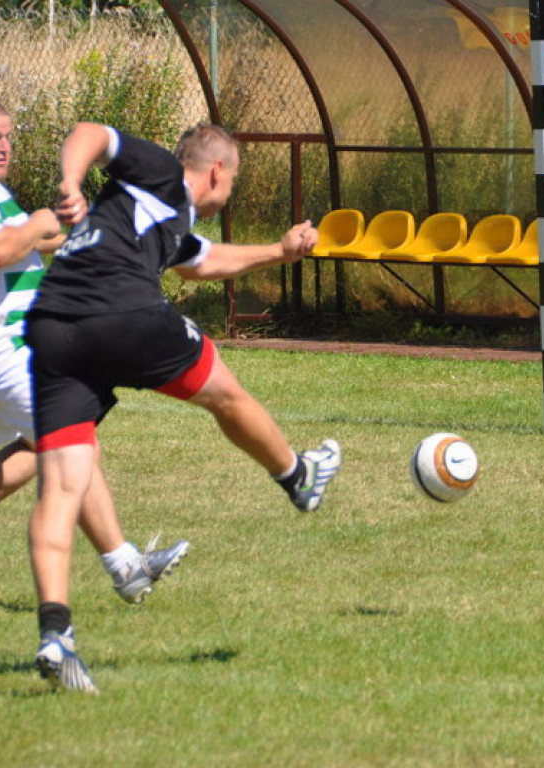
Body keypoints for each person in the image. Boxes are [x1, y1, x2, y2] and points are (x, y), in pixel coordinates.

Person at [26, 121, 342, 693]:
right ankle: (298, 475)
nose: (231, 190)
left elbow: (201, 262)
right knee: (225, 392)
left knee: (61, 487)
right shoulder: (162, 172)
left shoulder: (169, 220)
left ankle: (56, 634)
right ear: (217, 170)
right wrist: (71, 180)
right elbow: (90, 133)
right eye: (234, 179)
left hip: (54, 328)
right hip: (123, 312)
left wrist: (280, 251)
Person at [0, 98, 187, 605]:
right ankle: (126, 566)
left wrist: (57, 226)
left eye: (8, 136)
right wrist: (38, 221)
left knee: (36, 450)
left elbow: (25, 240)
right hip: (1, 348)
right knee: (74, 441)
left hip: (11, 348)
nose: (5, 146)